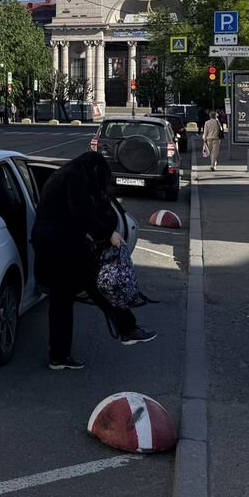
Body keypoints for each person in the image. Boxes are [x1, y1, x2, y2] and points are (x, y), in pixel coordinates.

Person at [31, 152, 155, 370]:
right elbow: (81, 213)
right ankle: (126, 329)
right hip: (61, 248)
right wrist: (108, 233)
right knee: (88, 288)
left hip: (54, 244)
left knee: (71, 297)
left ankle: (61, 355)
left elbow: (72, 214)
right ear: (95, 169)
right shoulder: (75, 177)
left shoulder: (64, 174)